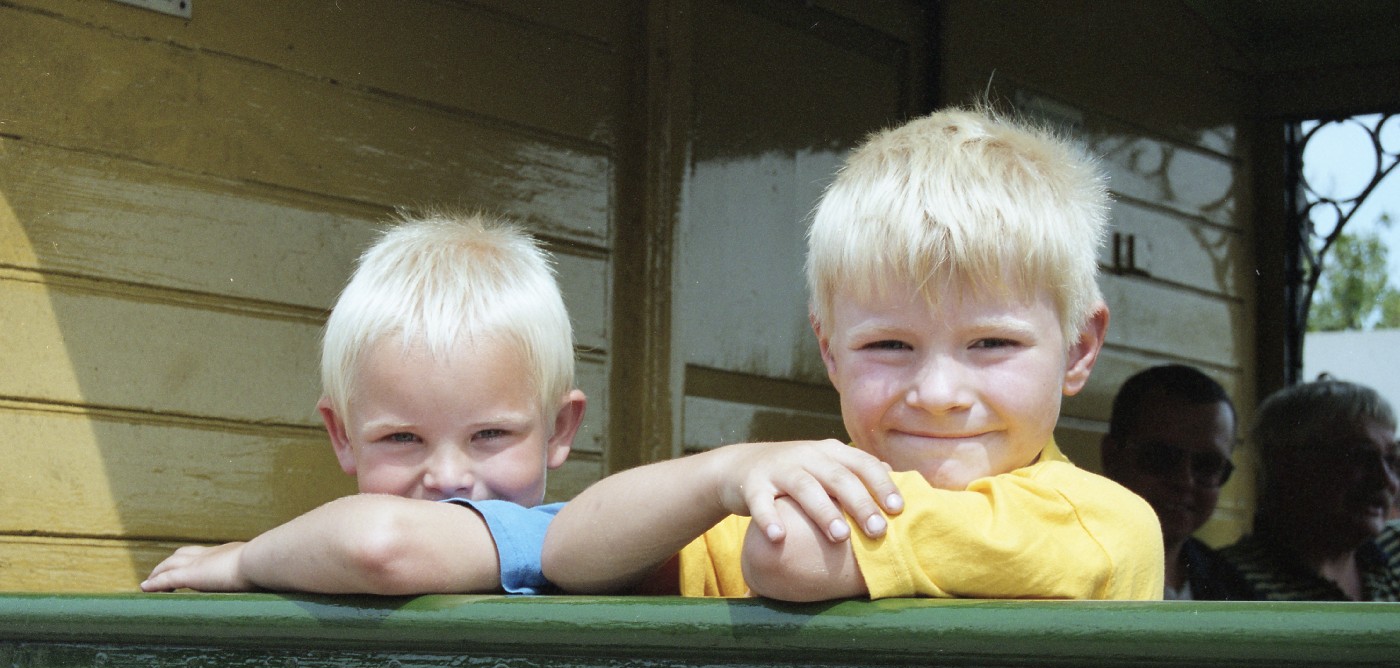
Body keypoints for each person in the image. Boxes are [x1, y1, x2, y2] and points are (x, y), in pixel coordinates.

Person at [541, 106, 1164, 601]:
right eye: (890, 344)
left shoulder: (1102, 523)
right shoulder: (785, 495)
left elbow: (785, 557)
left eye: (991, 343)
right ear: (830, 351)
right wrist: (724, 471)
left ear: (1079, 348)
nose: (940, 394)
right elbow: (567, 554)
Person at [141, 212, 587, 595]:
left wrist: (242, 563)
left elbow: (376, 544)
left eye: (490, 434)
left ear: (560, 428)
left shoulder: (560, 538)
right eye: (402, 437)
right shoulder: (323, 563)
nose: (448, 479)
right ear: (342, 435)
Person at [1217, 379, 1400, 601]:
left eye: (1391, 460)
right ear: (1286, 466)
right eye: (1360, 457)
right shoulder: (1228, 581)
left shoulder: (1392, 550)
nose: (1386, 481)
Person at [1100, 365, 1256, 600]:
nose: (1185, 480)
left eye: (1207, 465)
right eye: (1162, 457)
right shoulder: (1062, 571)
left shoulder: (1236, 590)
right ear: (1112, 456)